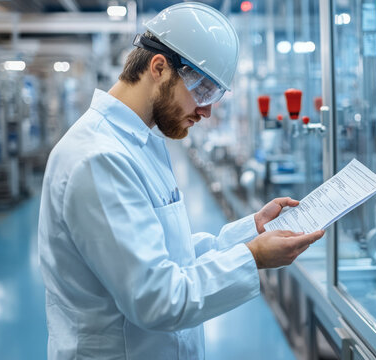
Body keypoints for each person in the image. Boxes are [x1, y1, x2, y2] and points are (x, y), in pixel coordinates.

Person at [38, 3, 324, 359]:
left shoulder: (142, 141)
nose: (206, 110)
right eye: (202, 92)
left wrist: (252, 232)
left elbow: (170, 255)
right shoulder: (99, 158)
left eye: (214, 96)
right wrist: (252, 258)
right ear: (159, 68)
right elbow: (155, 299)